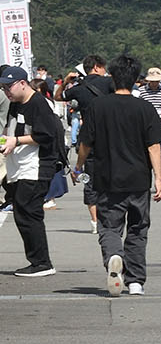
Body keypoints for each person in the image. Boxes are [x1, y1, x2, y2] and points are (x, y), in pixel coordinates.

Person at [75, 55, 161, 295]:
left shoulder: (98, 106)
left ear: (112, 78)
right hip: (138, 179)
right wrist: (158, 178)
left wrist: (78, 166)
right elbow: (154, 146)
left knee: (109, 227)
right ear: (136, 79)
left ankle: (114, 256)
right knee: (138, 229)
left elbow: (85, 142)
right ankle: (135, 281)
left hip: (107, 178)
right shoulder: (144, 108)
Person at [1, 66, 65, 277]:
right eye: (3, 87)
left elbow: (46, 135)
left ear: (22, 83)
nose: (6, 91)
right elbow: (11, 129)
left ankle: (42, 263)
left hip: (36, 166)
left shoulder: (38, 103)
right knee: (23, 212)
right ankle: (38, 261)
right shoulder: (15, 104)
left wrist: (16, 140)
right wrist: (6, 140)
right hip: (19, 166)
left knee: (28, 213)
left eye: (9, 86)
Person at [63, 54, 114, 228]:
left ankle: (94, 221)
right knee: (111, 177)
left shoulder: (79, 87)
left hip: (89, 136)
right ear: (97, 67)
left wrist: (65, 81)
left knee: (90, 180)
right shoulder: (110, 83)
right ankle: (110, 216)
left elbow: (58, 96)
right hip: (110, 137)